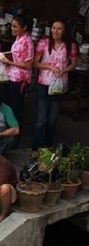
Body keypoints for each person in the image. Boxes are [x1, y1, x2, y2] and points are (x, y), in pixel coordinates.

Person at [33, 19, 78, 150]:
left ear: (64, 31)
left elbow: (73, 63)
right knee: (41, 118)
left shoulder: (70, 46)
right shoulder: (44, 43)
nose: (55, 31)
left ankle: (48, 145)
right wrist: (49, 67)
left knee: (52, 118)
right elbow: (36, 63)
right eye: (53, 28)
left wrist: (64, 70)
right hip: (43, 83)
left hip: (59, 86)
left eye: (59, 29)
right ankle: (36, 147)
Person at [0, 14, 34, 130]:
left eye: (15, 27)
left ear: (24, 28)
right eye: (12, 26)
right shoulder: (19, 38)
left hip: (19, 80)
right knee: (9, 106)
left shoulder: (27, 42)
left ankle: (15, 133)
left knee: (16, 108)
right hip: (12, 77)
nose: (12, 29)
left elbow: (28, 64)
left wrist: (10, 62)